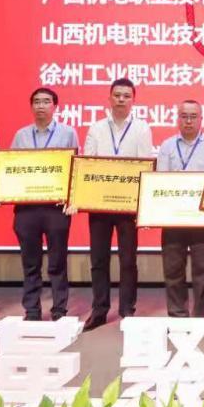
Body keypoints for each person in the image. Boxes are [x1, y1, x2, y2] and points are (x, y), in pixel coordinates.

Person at [82, 78, 155, 332]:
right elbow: (87, 162)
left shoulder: (142, 129)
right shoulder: (96, 128)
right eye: (117, 95)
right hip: (99, 203)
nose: (121, 99)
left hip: (127, 205)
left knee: (128, 260)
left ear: (133, 100)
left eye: (126, 96)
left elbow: (145, 165)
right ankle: (99, 310)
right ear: (109, 98)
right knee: (98, 259)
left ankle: (127, 310)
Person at [7, 87, 79, 322]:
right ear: (31, 106)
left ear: (55, 106)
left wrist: (73, 198)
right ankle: (32, 309)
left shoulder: (68, 133)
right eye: (36, 101)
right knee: (30, 263)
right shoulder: (21, 135)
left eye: (46, 101)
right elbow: (10, 168)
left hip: (55, 208)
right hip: (27, 207)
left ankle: (59, 309)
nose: (41, 105)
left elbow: (76, 168)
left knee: (57, 262)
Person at [156, 100, 204, 320]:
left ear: (201, 119)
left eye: (193, 116)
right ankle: (177, 315)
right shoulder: (167, 146)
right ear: (178, 118)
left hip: (202, 218)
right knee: (173, 270)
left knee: (203, 271)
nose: (189, 121)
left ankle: (201, 317)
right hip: (173, 219)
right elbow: (160, 181)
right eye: (184, 116)